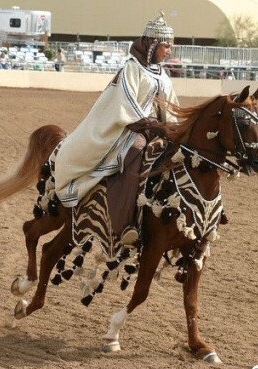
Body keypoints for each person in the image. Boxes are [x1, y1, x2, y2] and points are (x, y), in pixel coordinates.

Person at [51, 11, 178, 245]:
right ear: (152, 45)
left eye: (171, 46)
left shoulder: (163, 74)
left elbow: (170, 106)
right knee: (136, 151)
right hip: (130, 127)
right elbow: (126, 101)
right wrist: (150, 125)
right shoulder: (133, 68)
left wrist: (173, 128)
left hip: (156, 129)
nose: (170, 50)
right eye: (167, 46)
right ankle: (123, 223)